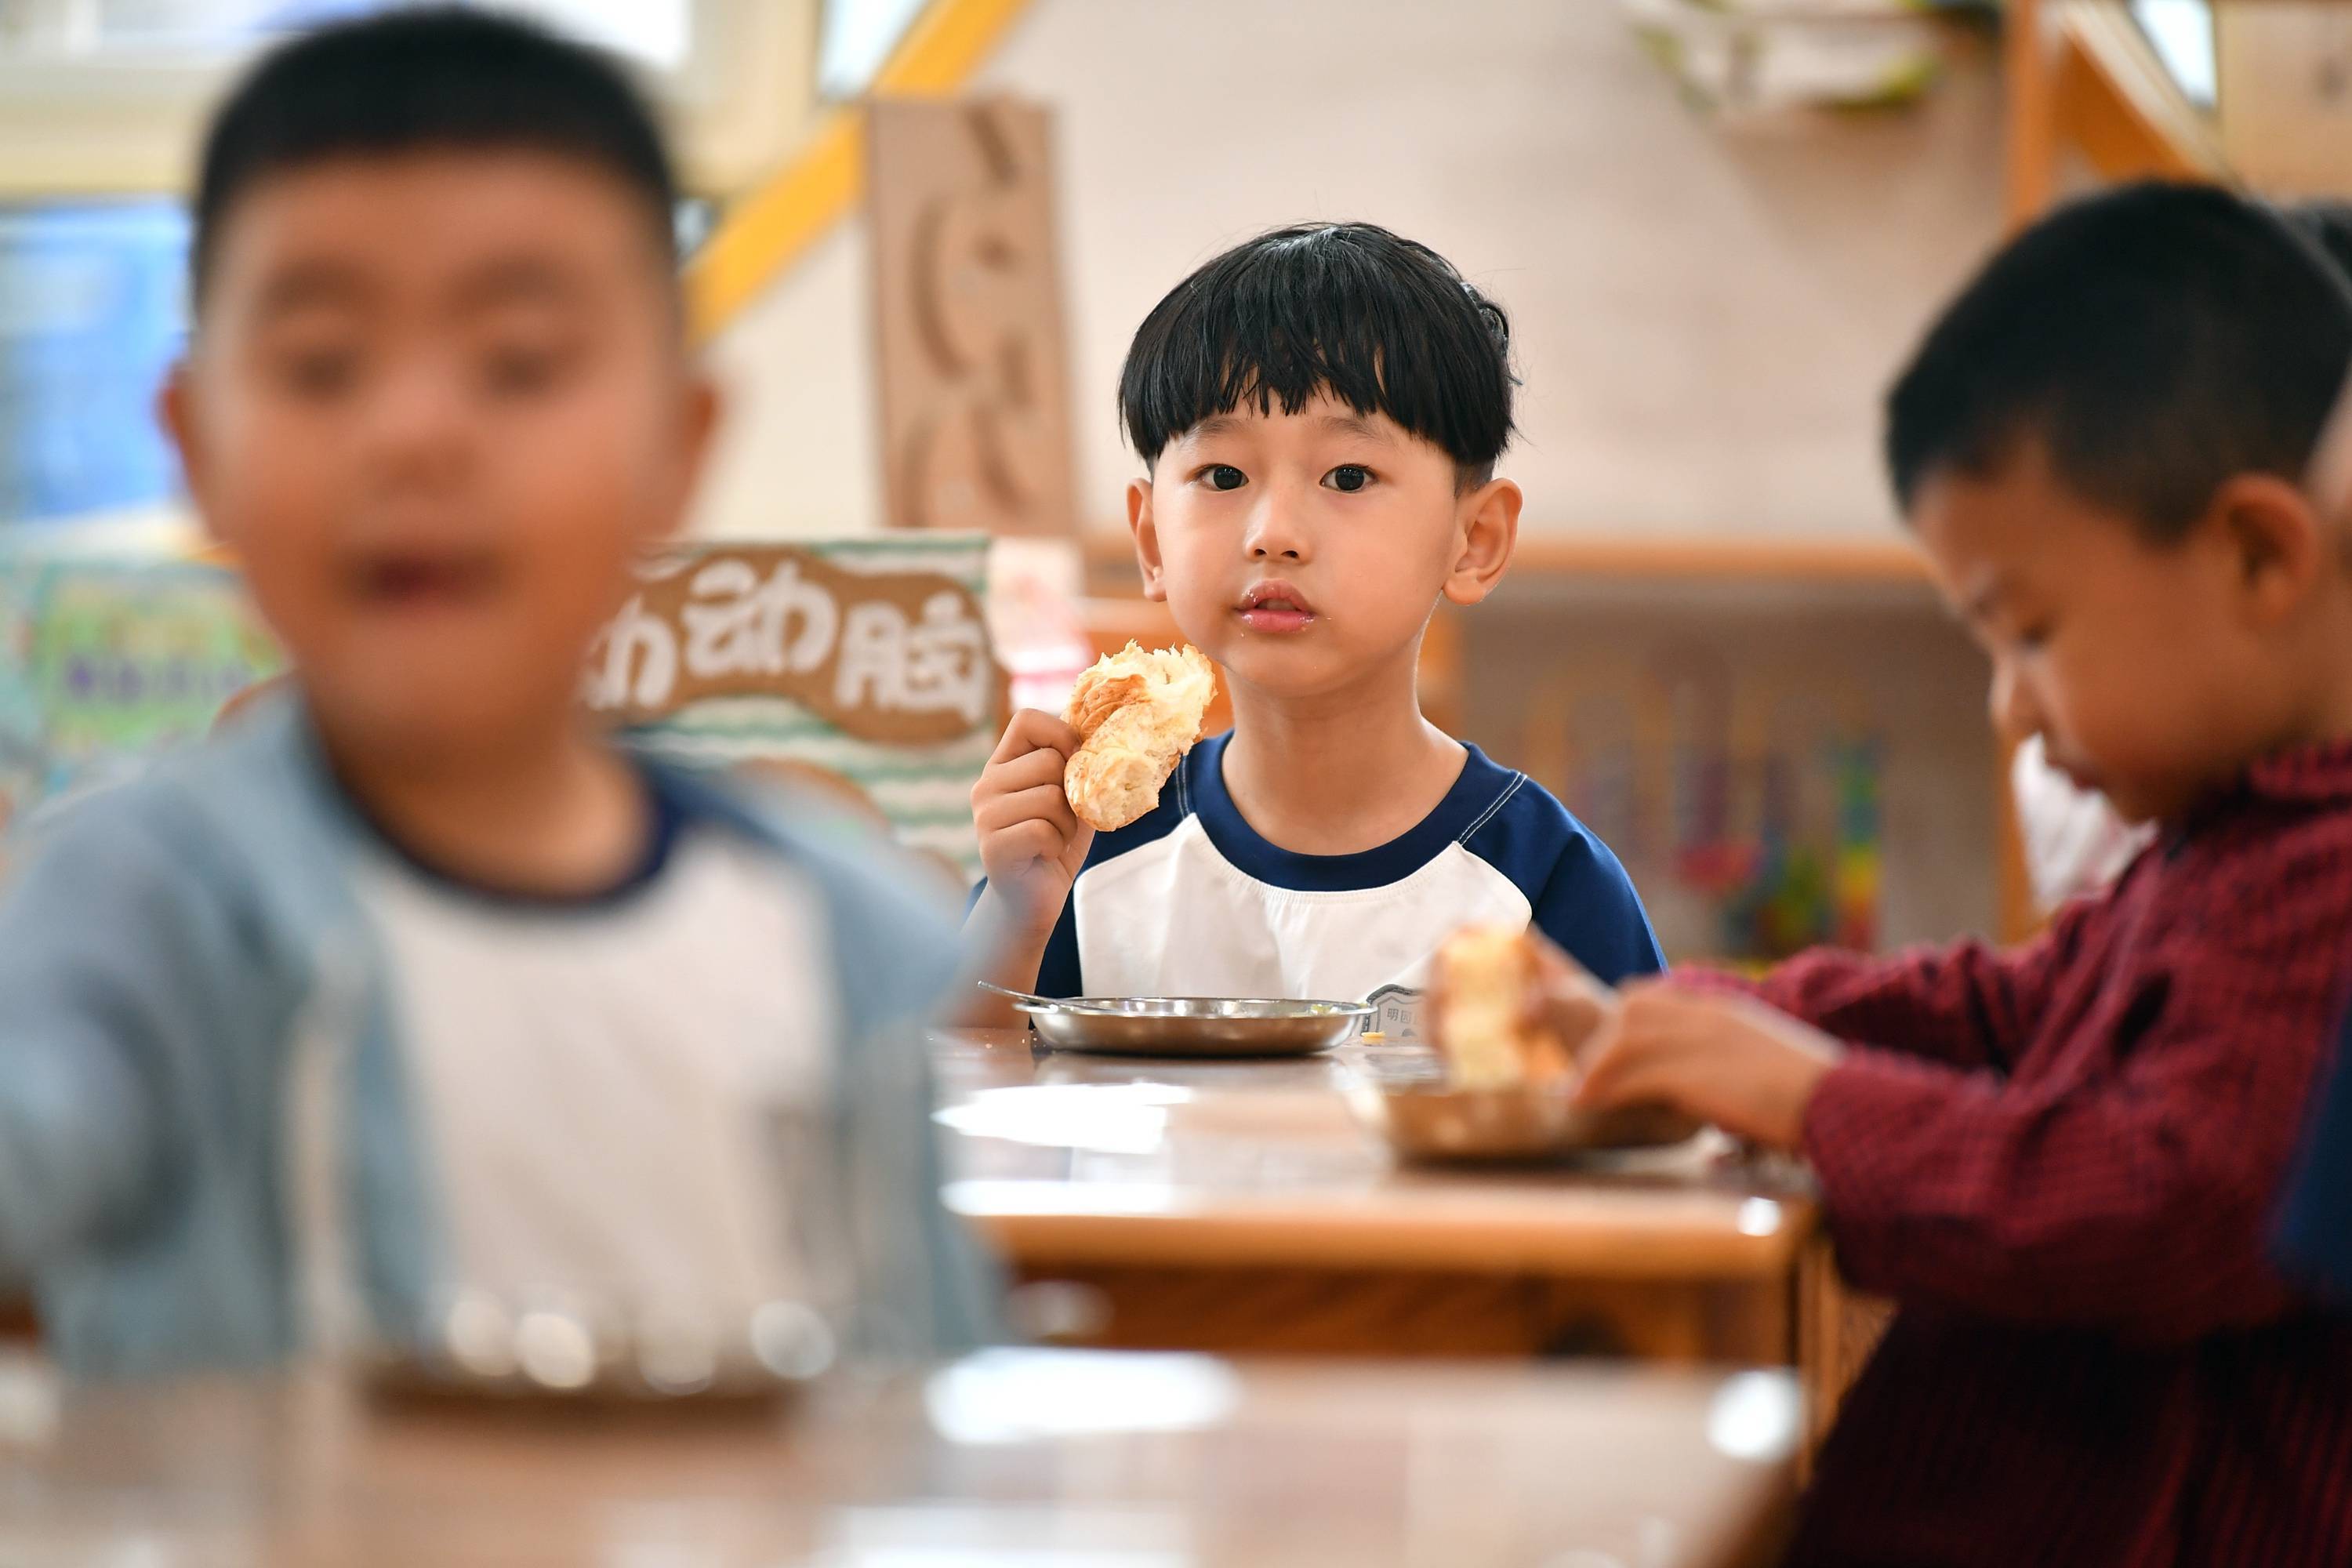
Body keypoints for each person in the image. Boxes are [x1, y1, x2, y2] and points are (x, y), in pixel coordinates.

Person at [0, 8, 993, 1378]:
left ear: (678, 443)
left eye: (521, 365)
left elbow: (931, 1400)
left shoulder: (840, 940)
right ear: (194, 444)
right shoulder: (155, 907)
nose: (417, 433)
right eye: (321, 366)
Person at [1513, 183, 2352, 1565]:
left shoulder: (2322, 886)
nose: (2010, 710)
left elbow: (2156, 1205)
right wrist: (1706, 1022)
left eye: (2029, 633)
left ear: (2261, 554)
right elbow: (2005, 1009)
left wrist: (1812, 1097)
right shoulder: (2224, 844)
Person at [963, 223, 1662, 1028]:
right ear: (1152, 538)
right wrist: (1015, 916)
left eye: (1348, 474)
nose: (1274, 530)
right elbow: (932, 1104)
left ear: (1474, 541)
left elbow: (1649, 1128)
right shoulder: (1089, 855)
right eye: (1222, 474)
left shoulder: (1543, 882)